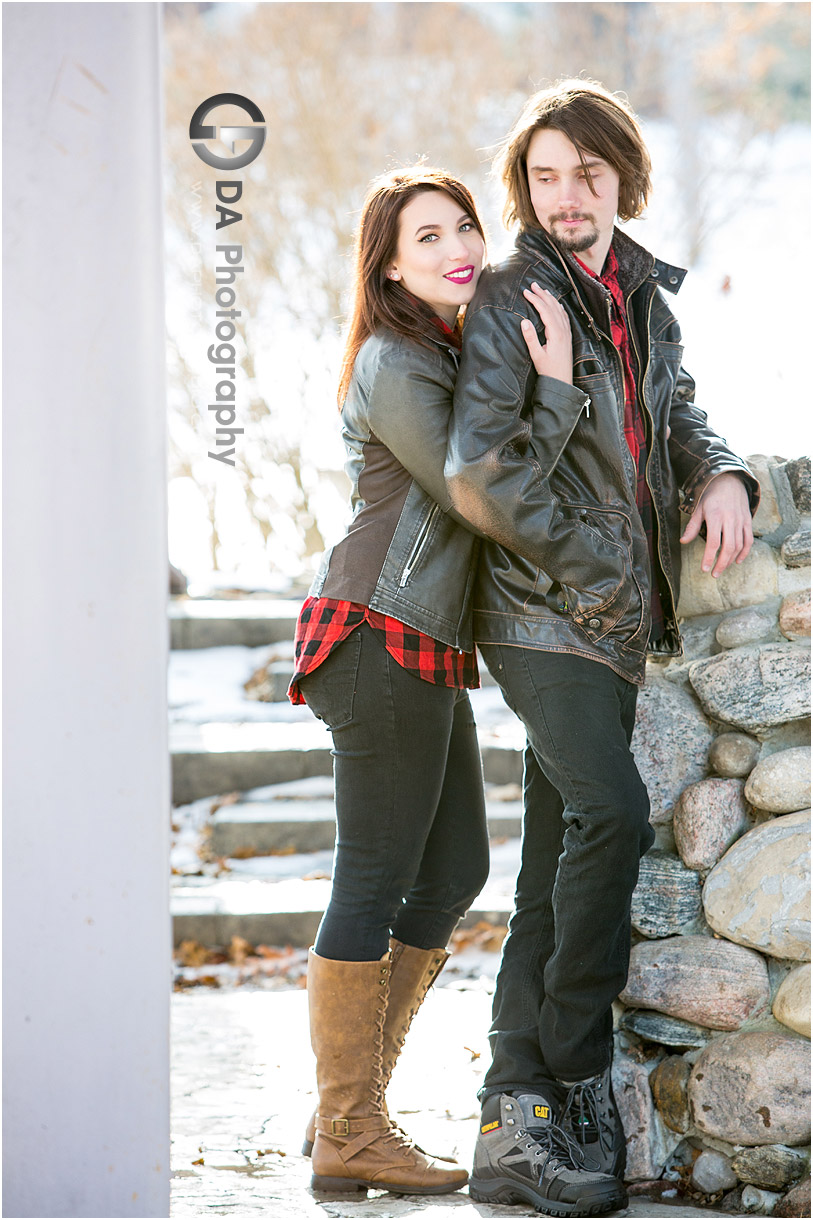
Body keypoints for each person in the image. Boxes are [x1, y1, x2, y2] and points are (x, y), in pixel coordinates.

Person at [444, 80, 760, 1216]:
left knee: (552, 863)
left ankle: (512, 1111)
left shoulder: (640, 296)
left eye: (587, 174)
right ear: (525, 189)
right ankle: (572, 1072)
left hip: (607, 621)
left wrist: (722, 471)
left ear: (625, 177)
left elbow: (673, 419)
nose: (566, 197)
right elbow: (483, 467)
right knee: (614, 812)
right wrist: (593, 565)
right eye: (544, 177)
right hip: (543, 612)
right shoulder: (513, 293)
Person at [287, 167, 492, 1196]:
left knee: (453, 867)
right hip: (376, 632)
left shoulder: (443, 346)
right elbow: (472, 486)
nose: (458, 243)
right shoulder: (399, 358)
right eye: (429, 234)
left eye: (465, 224)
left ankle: (349, 1113)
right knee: (373, 876)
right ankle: (351, 1125)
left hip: (418, 640)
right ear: (391, 263)